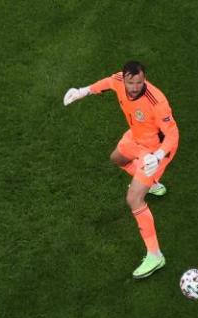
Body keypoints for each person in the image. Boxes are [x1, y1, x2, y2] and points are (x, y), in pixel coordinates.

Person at [63, 60, 180, 279]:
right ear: (124, 78)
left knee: (134, 198)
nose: (135, 86)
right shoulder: (118, 80)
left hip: (155, 151)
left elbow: (173, 135)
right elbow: (107, 82)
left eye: (140, 81)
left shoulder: (157, 102)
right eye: (131, 82)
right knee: (117, 158)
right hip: (136, 137)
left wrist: (157, 156)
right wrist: (83, 92)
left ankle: (155, 255)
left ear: (144, 78)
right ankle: (152, 184)